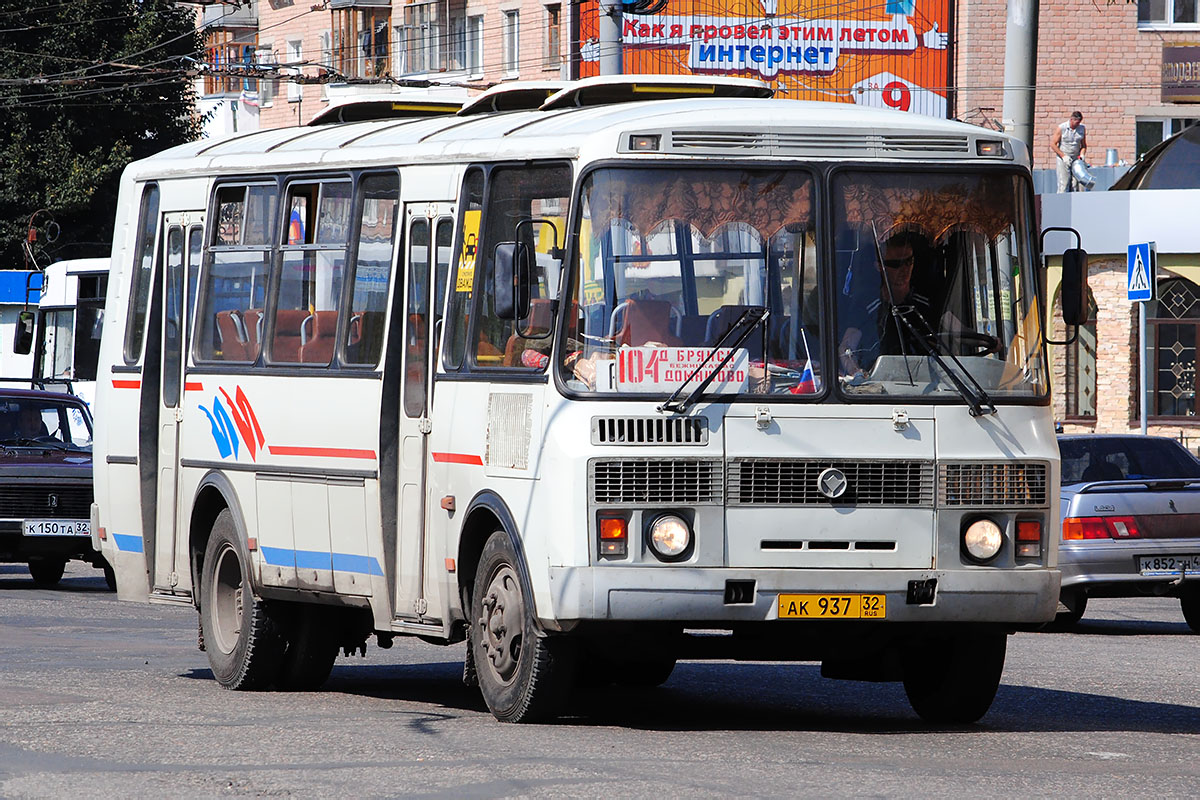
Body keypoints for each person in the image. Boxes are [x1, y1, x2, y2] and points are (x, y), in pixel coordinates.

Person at [838, 232, 938, 378]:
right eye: (896, 264)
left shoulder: (926, 304)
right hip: (882, 388)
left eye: (909, 261)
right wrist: (857, 373)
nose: (904, 270)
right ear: (879, 267)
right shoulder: (866, 306)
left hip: (931, 388)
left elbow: (957, 333)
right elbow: (846, 348)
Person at [1051, 111, 1088, 193]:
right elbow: (1053, 144)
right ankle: (1061, 201)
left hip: (1075, 158)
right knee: (1064, 183)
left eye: (1079, 123)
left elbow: (1084, 145)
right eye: (1076, 123)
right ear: (1071, 120)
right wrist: (1063, 156)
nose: (1077, 125)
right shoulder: (1062, 128)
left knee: (1075, 184)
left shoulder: (1081, 129)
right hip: (1064, 157)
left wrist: (1082, 155)